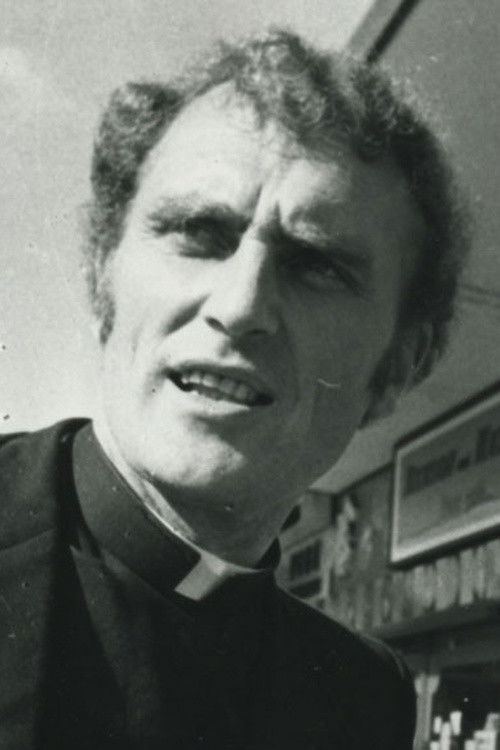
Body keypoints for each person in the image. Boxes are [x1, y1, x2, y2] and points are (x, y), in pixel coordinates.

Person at [0, 29, 467, 750]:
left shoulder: (366, 702)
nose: (241, 304)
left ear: (398, 368)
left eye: (316, 264)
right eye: (198, 232)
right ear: (101, 277)